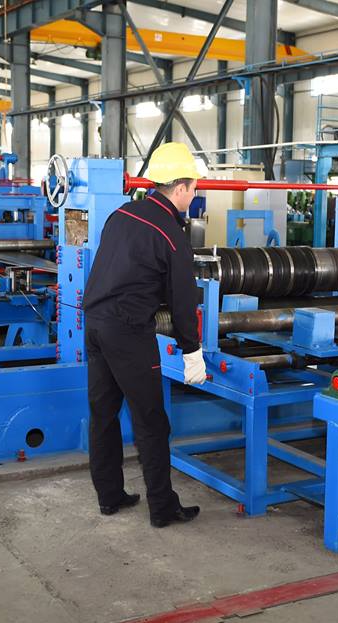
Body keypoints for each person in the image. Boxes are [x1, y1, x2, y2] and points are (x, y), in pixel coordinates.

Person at [83, 142, 207, 528]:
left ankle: (109, 496)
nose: (195, 194)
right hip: (128, 332)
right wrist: (192, 351)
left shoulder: (121, 214)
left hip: (95, 324)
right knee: (151, 421)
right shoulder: (170, 233)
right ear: (180, 187)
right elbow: (183, 301)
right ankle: (162, 508)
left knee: (103, 414)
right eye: (194, 188)